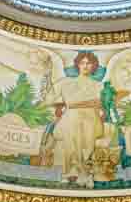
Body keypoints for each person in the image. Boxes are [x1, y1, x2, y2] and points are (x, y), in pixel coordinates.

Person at [43, 51, 108, 186]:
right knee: (73, 123)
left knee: (80, 123)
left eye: (89, 63)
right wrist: (48, 76)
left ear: (93, 66)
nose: (85, 66)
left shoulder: (99, 85)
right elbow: (48, 99)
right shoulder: (66, 82)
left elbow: (99, 103)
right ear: (77, 65)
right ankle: (81, 172)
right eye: (82, 63)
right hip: (71, 118)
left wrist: (74, 104)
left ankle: (74, 172)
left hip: (91, 118)